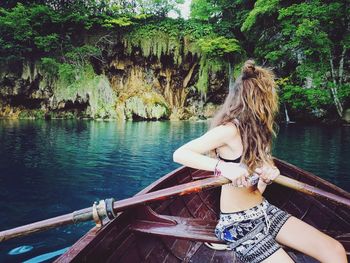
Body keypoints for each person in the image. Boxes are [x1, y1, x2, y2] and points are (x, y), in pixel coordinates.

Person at [172, 60, 347, 263]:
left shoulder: (260, 132)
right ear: (258, 98)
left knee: (335, 251)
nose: (273, 101)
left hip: (264, 211)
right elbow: (181, 153)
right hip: (236, 224)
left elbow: (262, 175)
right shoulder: (229, 131)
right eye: (270, 94)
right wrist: (224, 168)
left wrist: (270, 173)